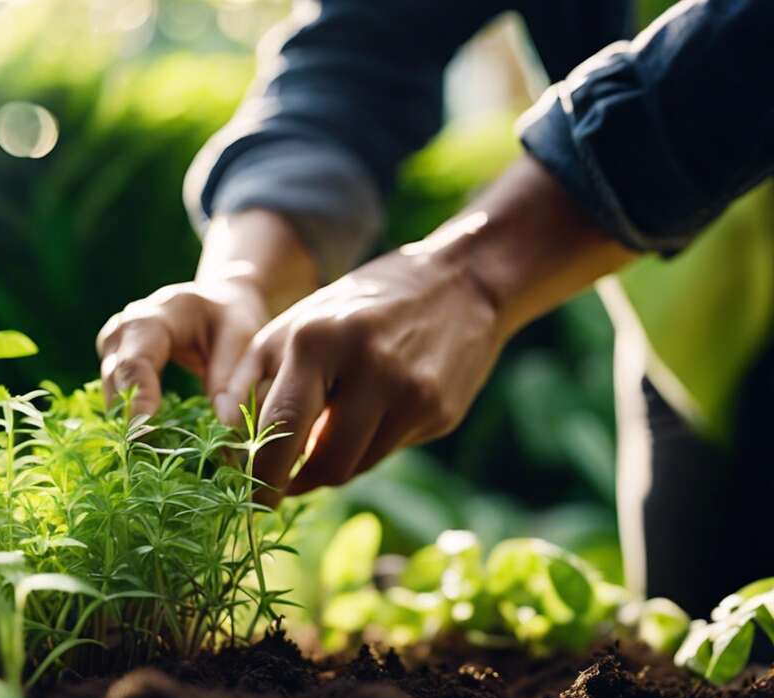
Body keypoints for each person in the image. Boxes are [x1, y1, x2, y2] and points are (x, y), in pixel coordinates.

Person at [96, 0, 774, 615]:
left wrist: (476, 274)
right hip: (692, 334)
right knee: (701, 678)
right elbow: (363, 45)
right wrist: (246, 274)